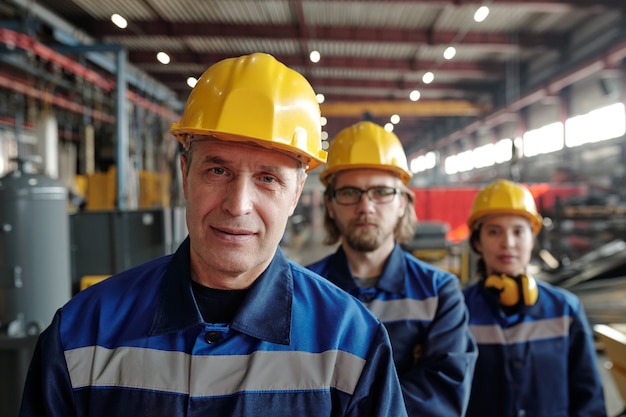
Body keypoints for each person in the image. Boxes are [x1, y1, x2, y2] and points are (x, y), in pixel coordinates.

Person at [19, 53, 408, 417]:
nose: (238, 205)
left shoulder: (351, 342)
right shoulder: (82, 333)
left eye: (268, 178)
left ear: (296, 194)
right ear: (186, 175)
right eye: (217, 171)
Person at [306, 121, 478, 416]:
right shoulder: (303, 292)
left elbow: (442, 397)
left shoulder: (438, 294)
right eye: (349, 192)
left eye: (382, 192)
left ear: (403, 203)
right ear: (330, 204)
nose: (366, 207)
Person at [463, 179, 607, 417]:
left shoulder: (565, 310)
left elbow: (589, 401)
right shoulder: (458, 311)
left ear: (532, 239)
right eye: (494, 231)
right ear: (478, 241)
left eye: (518, 232)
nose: (507, 243)